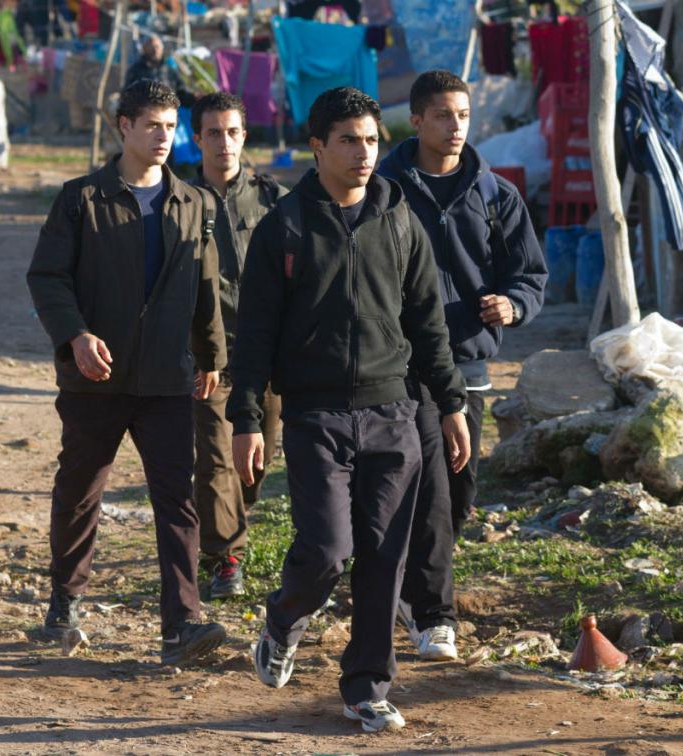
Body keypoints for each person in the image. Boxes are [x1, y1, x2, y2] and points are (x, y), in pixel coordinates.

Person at [226, 86, 470, 733]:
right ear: (317, 146)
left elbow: (428, 324)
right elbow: (254, 336)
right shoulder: (284, 228)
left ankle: (367, 687)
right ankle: (284, 617)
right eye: (348, 141)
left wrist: (450, 404)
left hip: (393, 413)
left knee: (385, 559)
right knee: (328, 550)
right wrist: (246, 420)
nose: (364, 154)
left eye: (371, 141)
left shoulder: (400, 220)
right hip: (316, 416)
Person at [26, 79, 228, 666]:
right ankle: (65, 601)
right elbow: (47, 277)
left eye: (171, 126)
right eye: (152, 125)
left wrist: (211, 356)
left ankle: (182, 625)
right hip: (96, 378)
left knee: (177, 499)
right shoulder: (80, 199)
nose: (164, 137)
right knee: (79, 492)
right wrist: (74, 335)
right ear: (124, 126)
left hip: (167, 378)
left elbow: (205, 285)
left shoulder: (194, 202)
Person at [377, 69, 547, 661]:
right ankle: (434, 616)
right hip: (404, 365)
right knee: (430, 491)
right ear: (417, 120)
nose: (456, 127)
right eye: (443, 115)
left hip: (470, 364)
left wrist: (513, 305)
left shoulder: (496, 195)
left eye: (464, 116)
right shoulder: (385, 190)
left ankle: (405, 586)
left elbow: (530, 274)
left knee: (459, 489)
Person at [189, 92, 285, 599]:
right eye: (213, 133)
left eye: (232, 132)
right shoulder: (178, 199)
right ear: (197, 138)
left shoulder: (274, 200)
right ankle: (225, 557)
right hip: (207, 356)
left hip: (266, 355)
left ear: (244, 136)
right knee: (215, 459)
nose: (223, 143)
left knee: (255, 462)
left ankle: (227, 514)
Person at [125, 35, 194, 107]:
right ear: (144, 49)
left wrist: (193, 97)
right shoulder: (135, 70)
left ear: (162, 49)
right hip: (144, 109)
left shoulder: (169, 70)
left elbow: (182, 92)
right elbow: (127, 94)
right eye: (151, 47)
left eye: (157, 47)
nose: (155, 50)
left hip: (167, 109)